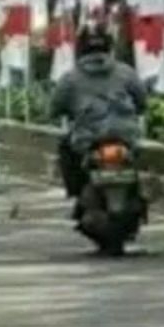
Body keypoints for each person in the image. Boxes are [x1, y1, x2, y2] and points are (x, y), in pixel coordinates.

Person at [50, 22, 147, 201]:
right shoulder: (126, 73)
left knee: (65, 146)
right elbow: (142, 101)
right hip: (126, 136)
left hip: (88, 138)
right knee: (137, 157)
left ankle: (75, 192)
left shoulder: (70, 78)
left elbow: (55, 107)